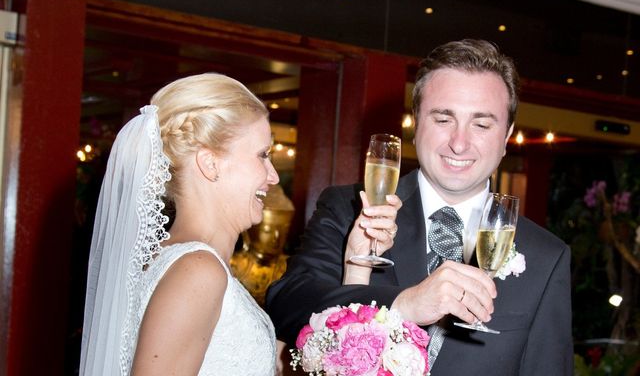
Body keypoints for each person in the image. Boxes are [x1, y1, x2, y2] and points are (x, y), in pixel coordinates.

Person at [266, 40, 573, 375]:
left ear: (507, 136)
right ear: (416, 123)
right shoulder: (353, 209)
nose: (459, 142)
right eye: (443, 119)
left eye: (482, 124)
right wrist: (405, 304)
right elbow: (287, 304)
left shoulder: (546, 256)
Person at [80, 73, 281, 375]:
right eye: (262, 155)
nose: (273, 175)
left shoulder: (177, 259)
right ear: (210, 163)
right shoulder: (198, 271)